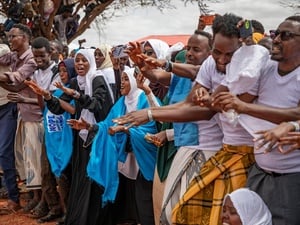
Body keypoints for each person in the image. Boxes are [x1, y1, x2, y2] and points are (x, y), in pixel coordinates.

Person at [114, 13, 256, 225]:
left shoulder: (250, 68)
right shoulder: (209, 66)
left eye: (229, 54)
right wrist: (154, 65)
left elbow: (204, 111)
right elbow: (188, 91)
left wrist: (151, 114)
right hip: (191, 150)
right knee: (176, 213)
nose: (222, 60)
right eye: (217, 53)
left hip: (221, 153)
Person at [211, 15, 300, 225]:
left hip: (291, 180)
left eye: (285, 35)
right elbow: (240, 88)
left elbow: (297, 113)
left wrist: (243, 107)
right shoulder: (266, 68)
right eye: (275, 33)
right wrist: (247, 44)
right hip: (259, 173)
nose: (276, 39)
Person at [27, 48, 114, 225]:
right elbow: (59, 108)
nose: (80, 64)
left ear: (91, 62)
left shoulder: (97, 79)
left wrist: (73, 93)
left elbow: (96, 105)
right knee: (82, 178)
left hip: (98, 136)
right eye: (77, 60)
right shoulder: (75, 81)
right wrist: (48, 96)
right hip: (81, 135)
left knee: (95, 178)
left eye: (84, 60)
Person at [68, 67, 158, 225]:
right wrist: (89, 127)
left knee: (144, 200)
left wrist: (126, 129)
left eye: (125, 79)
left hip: (143, 158)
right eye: (121, 79)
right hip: (126, 158)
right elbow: (107, 125)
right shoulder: (122, 102)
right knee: (127, 199)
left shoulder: (145, 99)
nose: (121, 84)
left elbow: (154, 128)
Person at [0, 23, 37, 215]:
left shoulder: (32, 58)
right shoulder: (13, 54)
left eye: (13, 36)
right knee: (19, 154)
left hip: (29, 111)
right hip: (17, 108)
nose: (9, 40)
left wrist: (2, 77)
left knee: (10, 153)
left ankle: (17, 198)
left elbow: (17, 77)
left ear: (24, 37)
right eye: (8, 36)